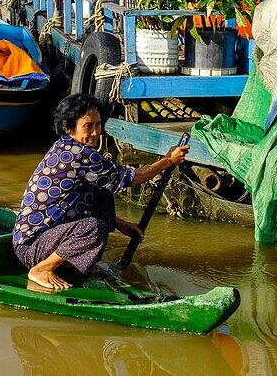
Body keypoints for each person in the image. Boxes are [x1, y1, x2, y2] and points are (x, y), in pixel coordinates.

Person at [12, 94, 188, 291]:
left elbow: (99, 188)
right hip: (32, 247)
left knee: (103, 192)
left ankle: (72, 261)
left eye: (98, 125)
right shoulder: (78, 154)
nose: (95, 133)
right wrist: (168, 161)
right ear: (68, 128)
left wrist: (120, 224)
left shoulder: (68, 146)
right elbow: (130, 178)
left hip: (48, 236)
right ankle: (42, 269)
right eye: (88, 126)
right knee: (93, 228)